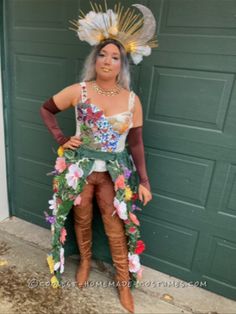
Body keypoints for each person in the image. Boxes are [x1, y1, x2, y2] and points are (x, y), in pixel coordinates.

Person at [40, 3, 157, 313]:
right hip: (80, 168)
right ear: (95, 59)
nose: (107, 60)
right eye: (102, 55)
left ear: (122, 64)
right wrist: (63, 140)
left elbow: (136, 142)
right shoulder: (79, 91)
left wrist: (144, 181)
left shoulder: (132, 100)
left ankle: (123, 283)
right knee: (81, 217)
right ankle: (85, 262)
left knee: (115, 224)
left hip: (114, 173)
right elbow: (47, 109)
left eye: (115, 57)